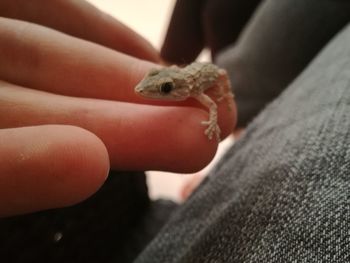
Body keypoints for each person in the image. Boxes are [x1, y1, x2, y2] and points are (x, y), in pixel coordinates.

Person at [1, 0, 350, 262]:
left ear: (180, 88)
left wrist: (218, 114)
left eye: (165, 90)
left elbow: (214, 99)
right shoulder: (173, 82)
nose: (155, 92)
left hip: (215, 76)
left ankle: (243, 125)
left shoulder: (196, 90)